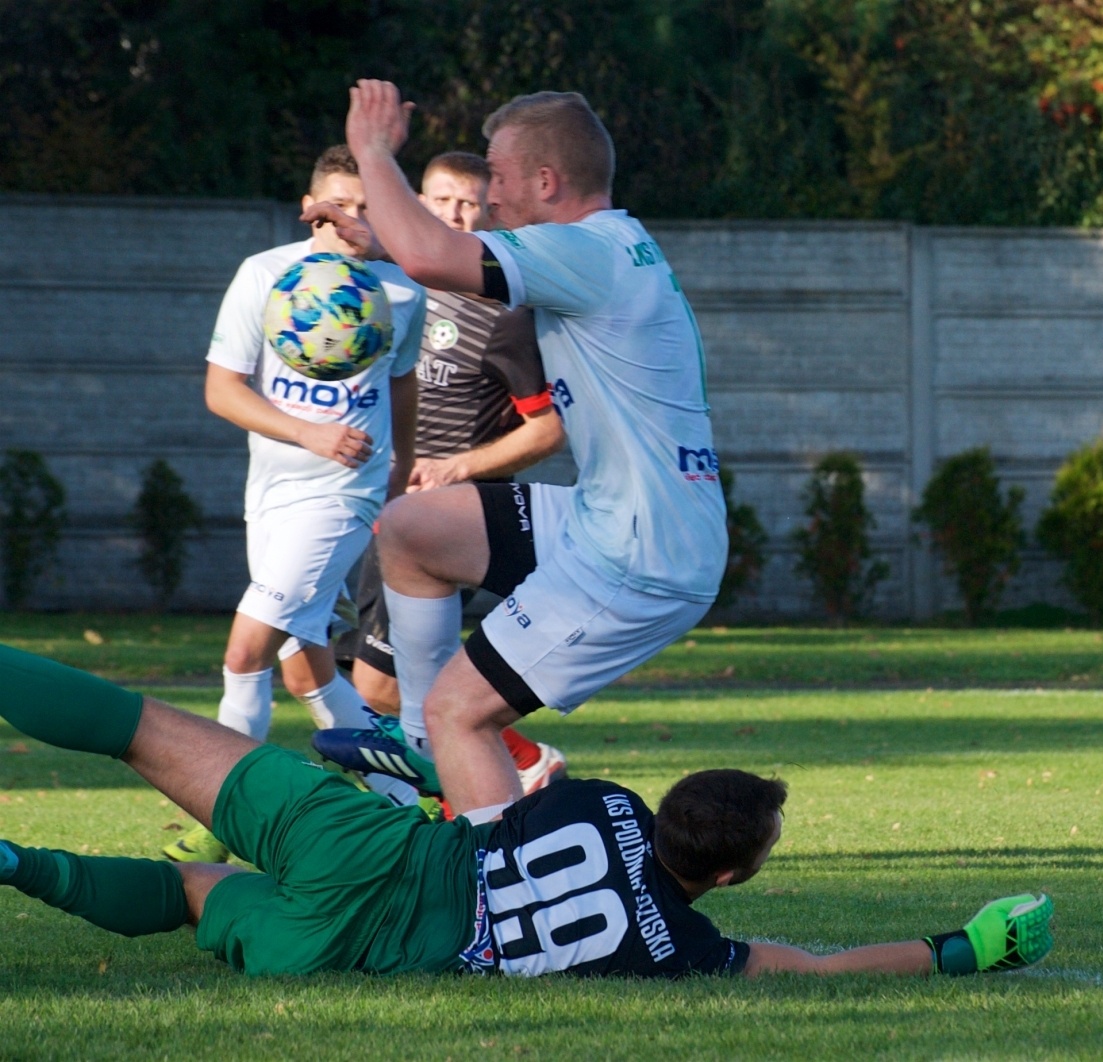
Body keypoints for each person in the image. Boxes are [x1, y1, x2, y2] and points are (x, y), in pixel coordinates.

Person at [0, 644, 1055, 979]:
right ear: (728, 875)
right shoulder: (679, 952)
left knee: (137, 727)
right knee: (195, 893)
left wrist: (411, 766)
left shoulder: (597, 800)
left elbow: (475, 808)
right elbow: (822, 973)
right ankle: (15, 864)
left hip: (363, 842)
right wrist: (969, 947)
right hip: (347, 949)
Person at [304, 83, 727, 821]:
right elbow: (445, 262)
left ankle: (502, 912)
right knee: (414, 531)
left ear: (544, 182)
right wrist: (380, 241)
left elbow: (436, 257)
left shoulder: (586, 250)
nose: (490, 197)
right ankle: (425, 747)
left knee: (462, 712)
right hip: (617, 519)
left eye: (497, 177)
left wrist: (372, 151)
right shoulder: (602, 249)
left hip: (642, 556)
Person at [168, 144, 427, 863]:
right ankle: (408, 797)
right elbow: (222, 390)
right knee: (303, 667)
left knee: (246, 648)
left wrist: (398, 468)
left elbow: (402, 385)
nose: (355, 221)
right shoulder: (264, 274)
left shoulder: (401, 290)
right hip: (274, 492)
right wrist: (306, 432)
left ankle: (220, 826)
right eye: (342, 204)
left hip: (345, 494)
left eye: (369, 207)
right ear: (310, 206)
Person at [335, 150, 569, 796]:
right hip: (376, 502)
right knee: (352, 665)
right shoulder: (393, 291)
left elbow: (550, 428)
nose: (452, 214)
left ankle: (505, 769)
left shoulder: (506, 313)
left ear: (488, 213)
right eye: (438, 201)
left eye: (467, 203)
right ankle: (501, 771)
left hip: (447, 518)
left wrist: (456, 467)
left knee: (380, 685)